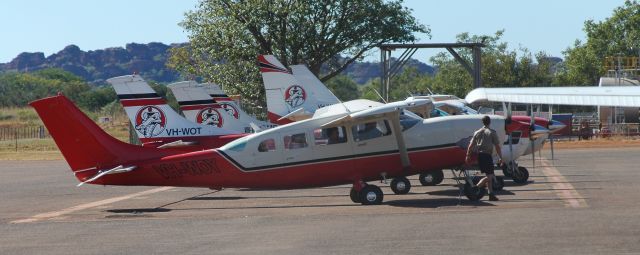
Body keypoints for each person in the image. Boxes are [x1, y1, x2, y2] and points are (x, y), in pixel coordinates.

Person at [465, 115, 503, 201]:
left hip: (480, 156)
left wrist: (468, 155)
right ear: (490, 122)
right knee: (490, 177)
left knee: (489, 175)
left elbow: (470, 146)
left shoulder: (477, 132)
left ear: (482, 122)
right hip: (487, 156)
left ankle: (491, 194)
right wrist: (500, 157)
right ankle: (476, 187)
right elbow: (497, 146)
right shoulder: (492, 132)